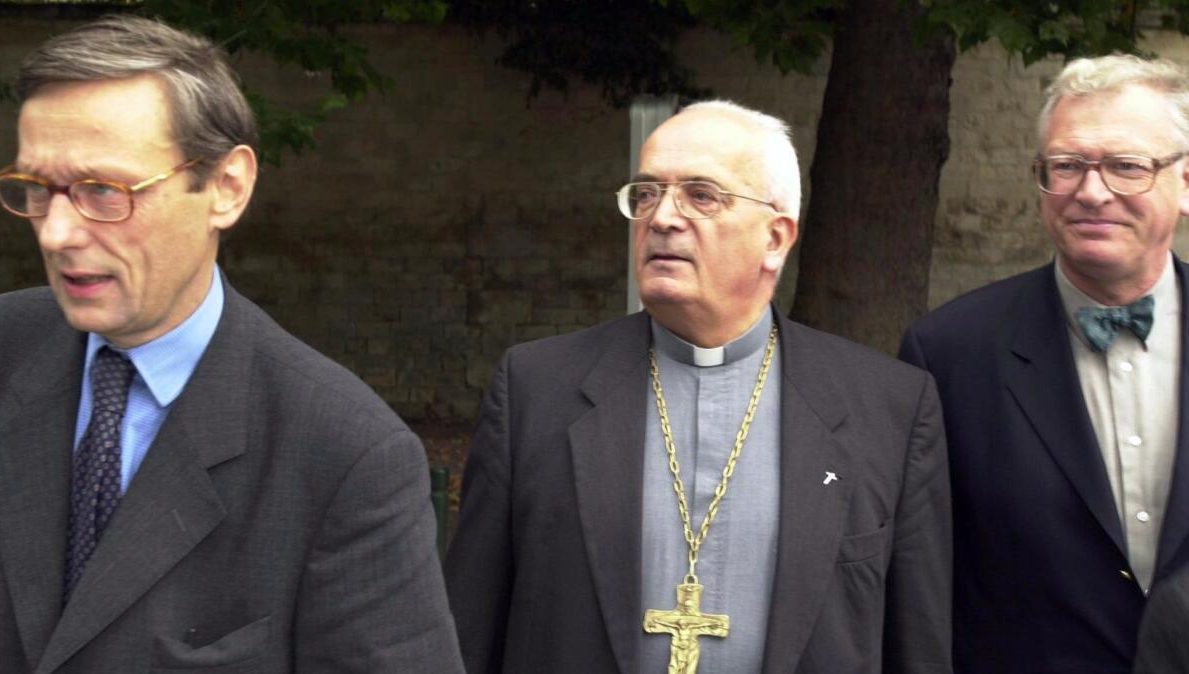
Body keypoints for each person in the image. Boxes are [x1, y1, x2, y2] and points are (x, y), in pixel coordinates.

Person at [0, 15, 462, 672]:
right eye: (39, 190)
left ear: (226, 188)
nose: (56, 233)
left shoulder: (345, 455)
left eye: (102, 190)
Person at [445, 99, 952, 674]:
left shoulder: (890, 408)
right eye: (647, 193)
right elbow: (468, 632)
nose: (661, 218)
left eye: (701, 195)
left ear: (776, 238)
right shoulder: (536, 389)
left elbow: (919, 647)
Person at [900, 54, 1189, 673]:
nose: (1091, 191)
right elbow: (922, 590)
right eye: (1066, 166)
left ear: (1185, 183)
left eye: (1126, 167)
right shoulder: (948, 353)